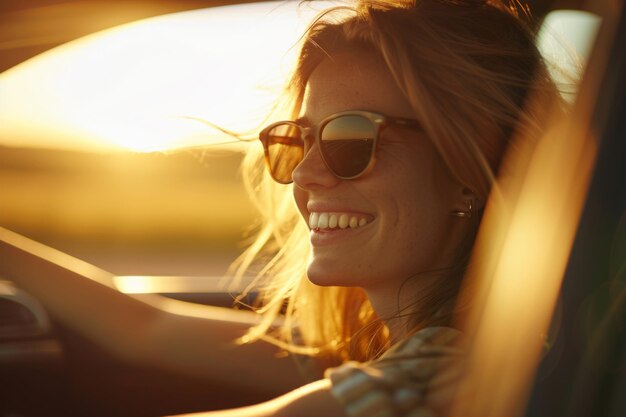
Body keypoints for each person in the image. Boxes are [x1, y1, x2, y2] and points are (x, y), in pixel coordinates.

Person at [0, 0, 562, 416]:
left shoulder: (430, 378)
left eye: (349, 141)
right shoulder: (393, 351)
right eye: (297, 138)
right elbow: (147, 329)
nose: (305, 172)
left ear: (468, 169)